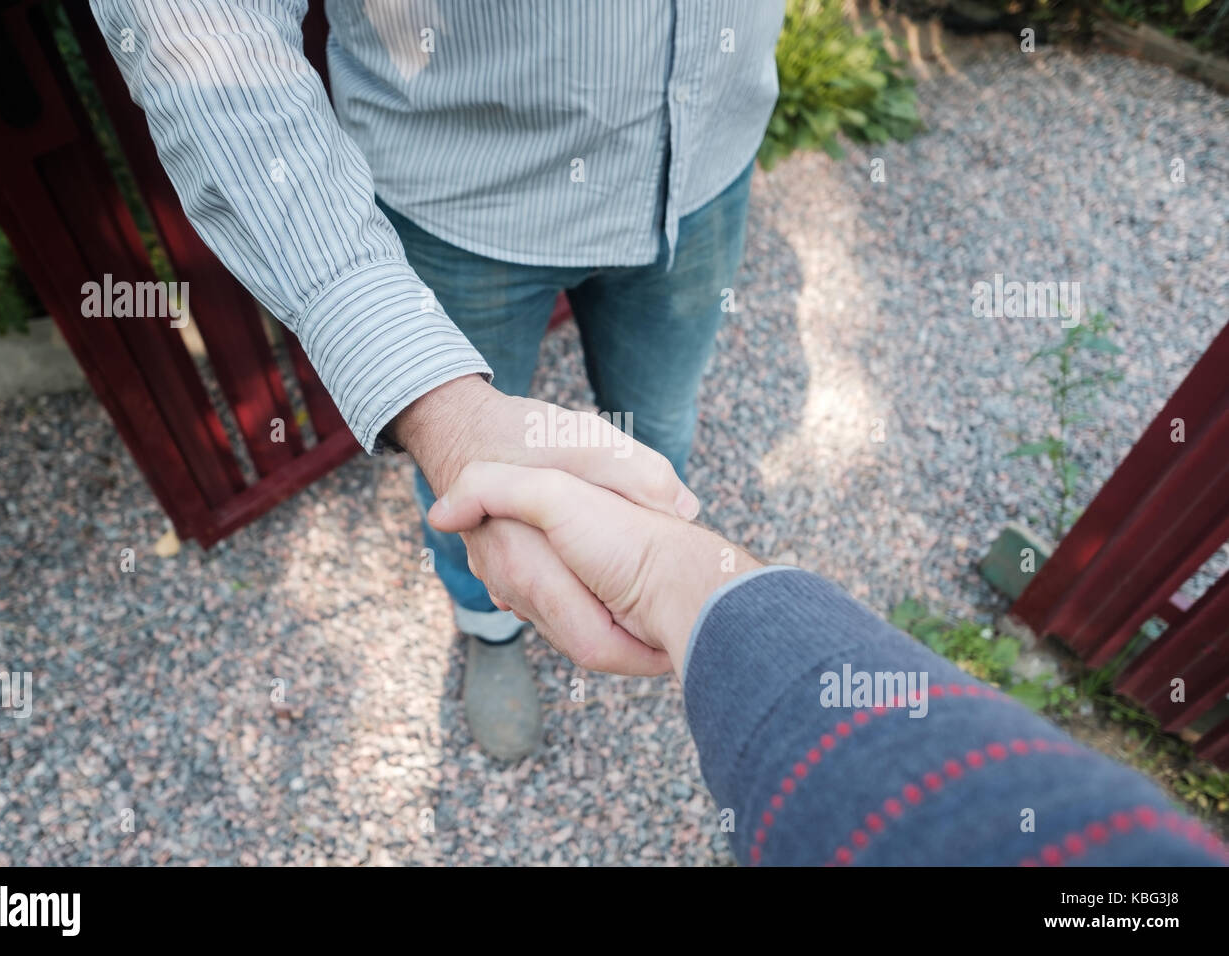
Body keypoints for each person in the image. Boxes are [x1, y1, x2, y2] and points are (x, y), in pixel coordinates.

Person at [91, 0, 788, 759]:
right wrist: (425, 394)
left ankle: (654, 563)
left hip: (708, 166)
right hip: (462, 200)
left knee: (659, 415)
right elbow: (200, 23)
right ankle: (490, 623)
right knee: (471, 478)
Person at [428, 461, 1229, 866]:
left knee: (648, 440)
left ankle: (615, 536)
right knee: (501, 514)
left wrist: (656, 567)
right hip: (475, 222)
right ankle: (491, 624)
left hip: (698, 196)